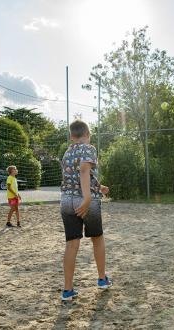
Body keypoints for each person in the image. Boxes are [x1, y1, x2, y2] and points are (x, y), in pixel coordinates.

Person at [60, 120, 112, 301]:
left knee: (71, 244)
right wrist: (88, 196)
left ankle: (67, 290)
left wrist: (99, 187)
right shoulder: (89, 148)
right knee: (97, 238)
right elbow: (83, 171)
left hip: (67, 200)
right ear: (88, 134)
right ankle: (102, 279)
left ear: (71, 136)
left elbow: (80, 176)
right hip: (85, 200)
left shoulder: (67, 153)